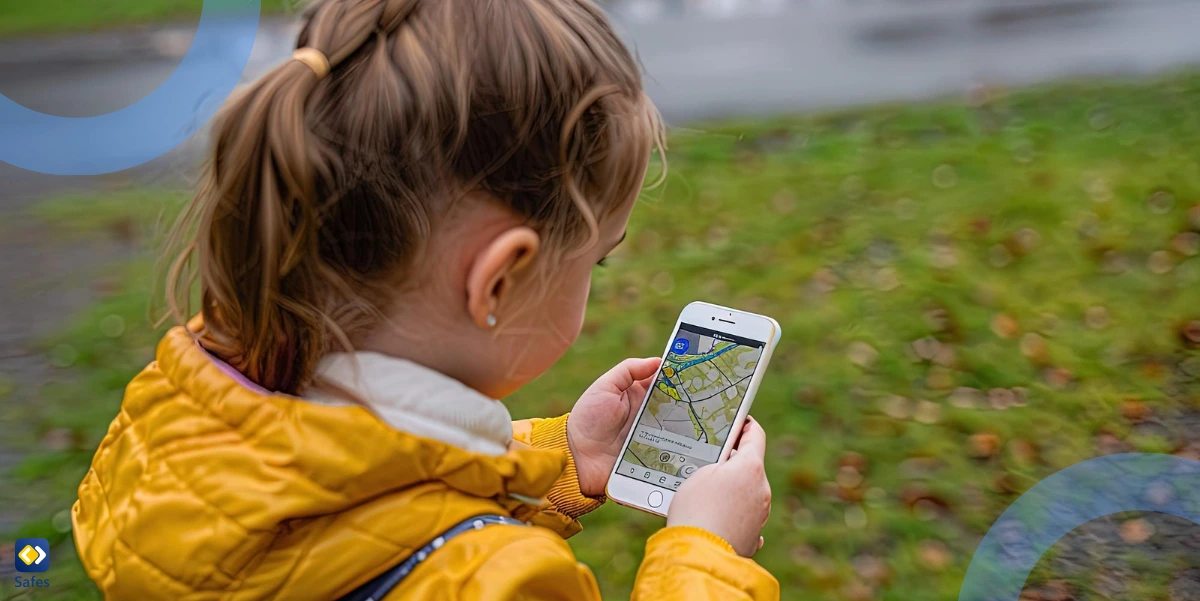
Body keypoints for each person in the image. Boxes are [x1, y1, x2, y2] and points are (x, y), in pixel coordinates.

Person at [71, 0, 777, 598]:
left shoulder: (183, 417)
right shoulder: (511, 579)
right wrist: (707, 556)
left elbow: (372, 523)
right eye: (597, 258)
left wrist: (562, 457)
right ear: (498, 280)